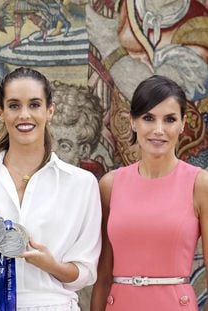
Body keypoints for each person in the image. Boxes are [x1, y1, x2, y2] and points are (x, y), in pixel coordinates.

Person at [0, 67, 101, 310]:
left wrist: (50, 264)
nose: (24, 115)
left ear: (50, 111)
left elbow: (85, 273)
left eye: (34, 105)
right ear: (0, 112)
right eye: (14, 105)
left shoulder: (81, 184)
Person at [90, 75, 208, 310]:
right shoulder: (110, 185)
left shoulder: (200, 184)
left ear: (183, 123)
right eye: (148, 118)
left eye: (170, 119)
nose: (159, 130)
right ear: (133, 122)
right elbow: (102, 277)